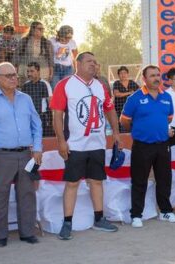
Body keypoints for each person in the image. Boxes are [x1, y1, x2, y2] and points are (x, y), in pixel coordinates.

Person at [50, 52, 120, 240]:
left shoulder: (101, 86)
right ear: (77, 64)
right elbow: (57, 115)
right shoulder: (64, 85)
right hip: (75, 145)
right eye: (89, 61)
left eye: (96, 62)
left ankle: (99, 219)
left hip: (97, 144)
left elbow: (109, 109)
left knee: (96, 181)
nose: (94, 65)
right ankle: (67, 223)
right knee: (72, 183)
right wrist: (61, 141)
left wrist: (116, 132)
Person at [0, 62, 42, 247]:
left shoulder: (26, 99)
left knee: (27, 194)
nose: (14, 78)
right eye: (8, 75)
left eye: (14, 74)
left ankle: (27, 232)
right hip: (1, 156)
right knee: (0, 195)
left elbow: (37, 125)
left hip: (26, 155)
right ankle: (1, 235)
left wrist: (37, 149)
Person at [120, 65, 175, 228]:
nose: (156, 78)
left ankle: (165, 212)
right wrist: (139, 130)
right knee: (139, 180)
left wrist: (158, 129)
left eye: (158, 75)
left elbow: (168, 118)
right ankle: (136, 215)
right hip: (142, 146)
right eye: (152, 75)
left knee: (164, 180)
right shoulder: (134, 98)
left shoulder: (166, 98)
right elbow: (124, 120)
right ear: (144, 79)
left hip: (162, 145)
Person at [13, 21, 54, 85]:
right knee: (26, 89)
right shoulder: (24, 41)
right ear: (33, 29)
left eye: (43, 29)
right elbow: (16, 56)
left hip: (43, 71)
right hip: (26, 70)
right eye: (39, 29)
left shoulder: (47, 42)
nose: (42, 30)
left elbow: (50, 58)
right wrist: (15, 71)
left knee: (41, 90)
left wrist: (51, 72)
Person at [21, 62, 53, 136]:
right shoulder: (26, 85)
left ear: (38, 71)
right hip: (28, 118)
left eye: (32, 71)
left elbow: (50, 102)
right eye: (28, 71)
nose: (29, 74)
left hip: (42, 117)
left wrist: (51, 121)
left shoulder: (45, 84)